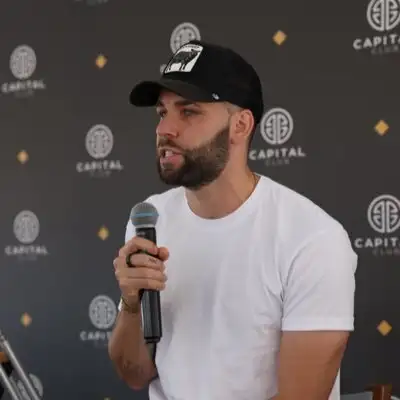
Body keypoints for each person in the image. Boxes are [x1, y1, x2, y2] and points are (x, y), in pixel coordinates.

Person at [108, 39, 358, 400]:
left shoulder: (312, 239)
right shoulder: (150, 220)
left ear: (240, 125)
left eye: (188, 112)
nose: (164, 130)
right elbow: (135, 375)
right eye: (162, 113)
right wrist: (131, 304)